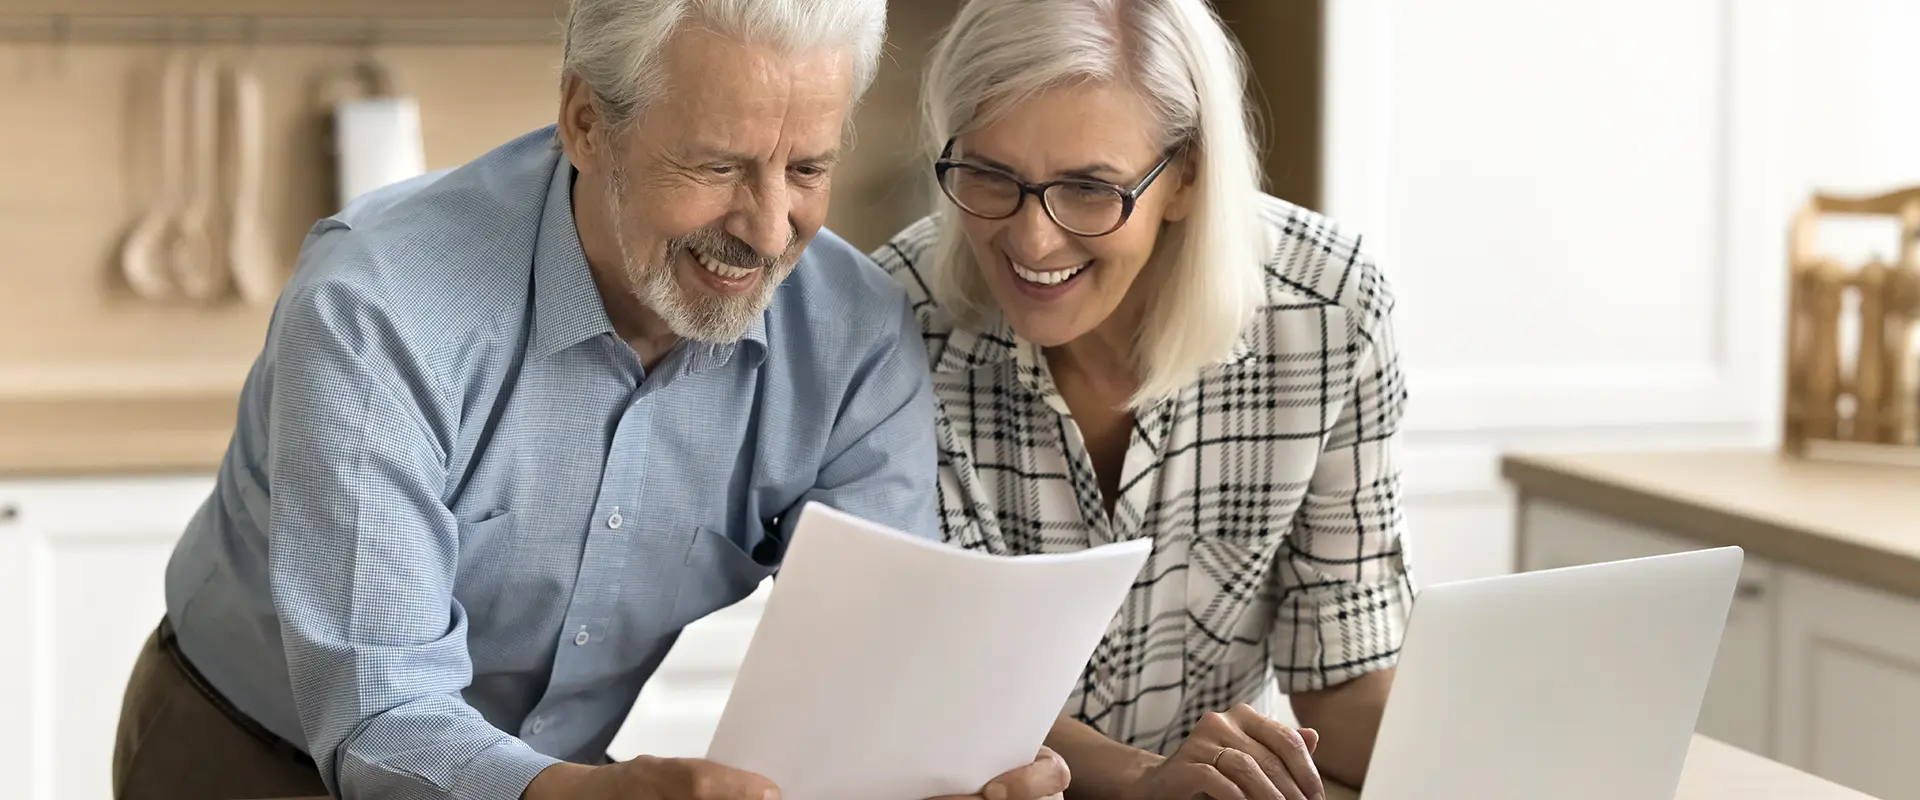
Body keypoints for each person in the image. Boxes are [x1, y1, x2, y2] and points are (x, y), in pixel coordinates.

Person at [111, 2, 1068, 799]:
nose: (771, 229)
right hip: (249, 751)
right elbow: (382, 710)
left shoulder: (851, 338)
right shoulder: (381, 310)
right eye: (719, 166)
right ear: (585, 123)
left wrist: (950, 766)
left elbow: (885, 658)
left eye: (808, 168)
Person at [874, 0, 1418, 797]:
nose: (1032, 241)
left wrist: (1497, 752)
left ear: (1189, 174)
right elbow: (934, 685)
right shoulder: (889, 327)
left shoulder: (1332, 314)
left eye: (1090, 190)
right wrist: (1146, 779)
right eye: (990, 175)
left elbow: (1343, 676)